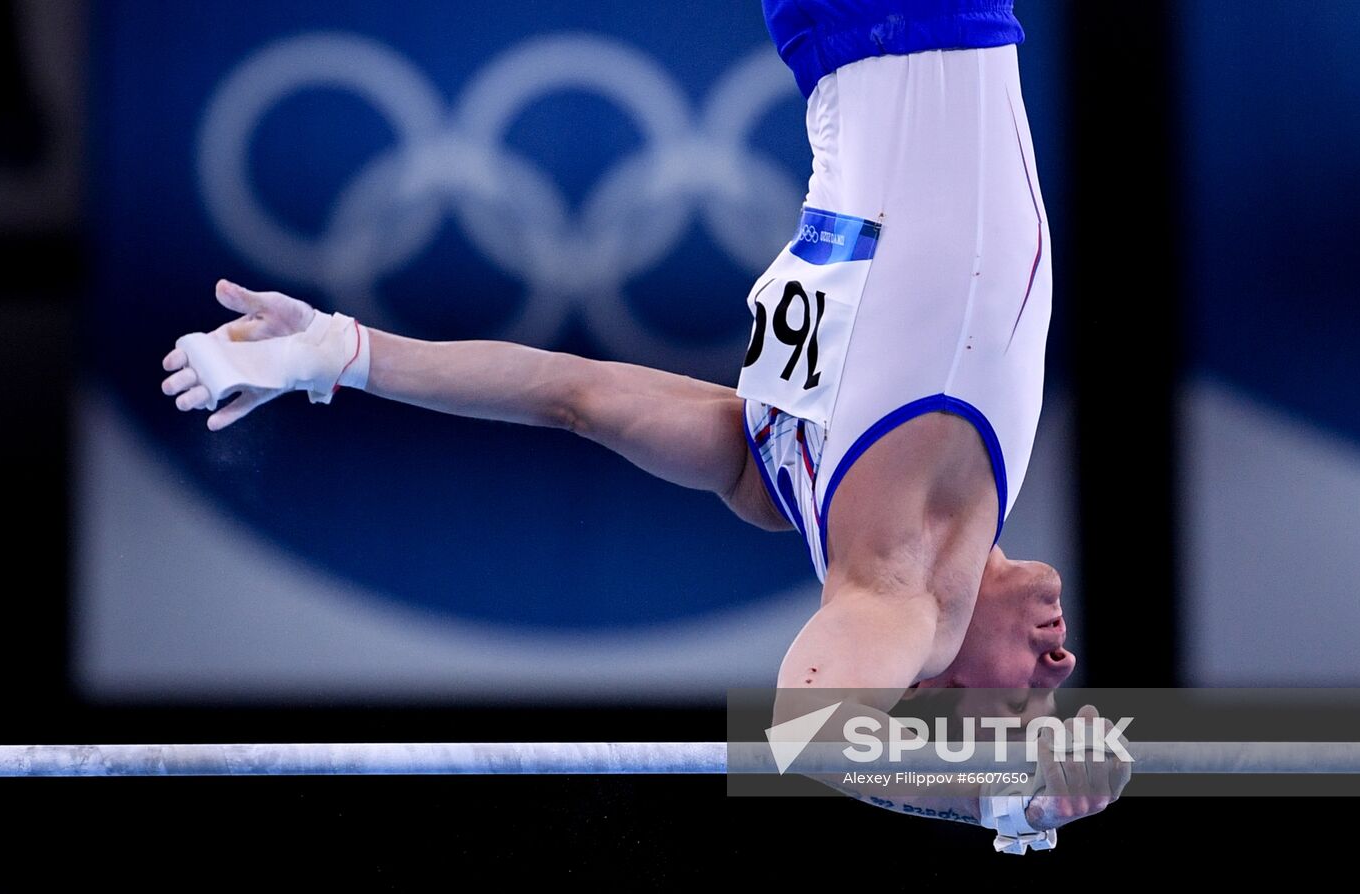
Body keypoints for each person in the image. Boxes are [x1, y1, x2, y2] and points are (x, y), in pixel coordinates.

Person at [161, 0, 1126, 852]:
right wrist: (342, 351)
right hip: (853, 38)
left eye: (1028, 700)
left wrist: (998, 795)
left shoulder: (901, 587)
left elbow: (813, 733)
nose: (1060, 662)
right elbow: (571, 396)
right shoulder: (780, 473)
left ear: (930, 688)